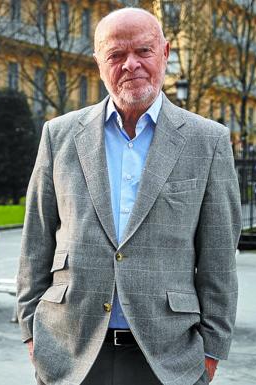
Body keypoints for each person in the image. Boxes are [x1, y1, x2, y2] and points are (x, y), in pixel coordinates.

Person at [16, 8, 241, 385]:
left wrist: (211, 350)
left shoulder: (208, 141)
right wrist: (30, 332)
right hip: (69, 350)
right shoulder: (59, 135)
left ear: (165, 53)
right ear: (98, 63)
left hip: (168, 357)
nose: (130, 64)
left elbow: (219, 255)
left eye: (143, 51)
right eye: (116, 55)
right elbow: (35, 240)